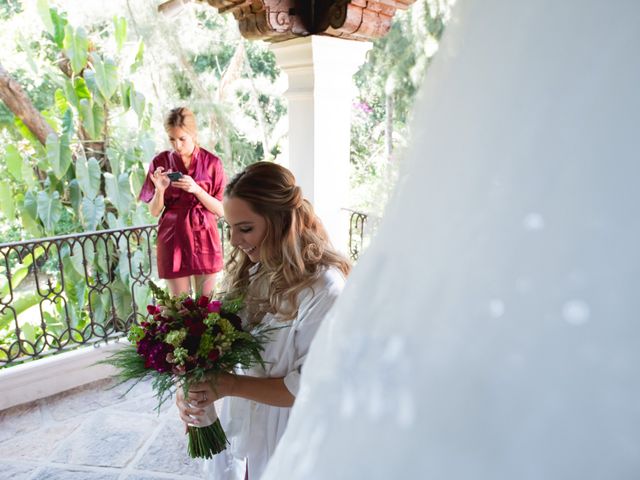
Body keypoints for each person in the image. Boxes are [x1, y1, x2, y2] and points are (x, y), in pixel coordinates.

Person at [176, 162, 351, 479]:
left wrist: (228, 385)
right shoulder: (253, 270)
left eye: (245, 228)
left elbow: (309, 387)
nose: (234, 241)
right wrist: (194, 388)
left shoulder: (325, 289)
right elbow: (224, 342)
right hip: (247, 425)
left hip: (295, 434)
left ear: (281, 221)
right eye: (229, 228)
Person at [139, 107, 226, 297]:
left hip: (204, 235)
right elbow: (154, 211)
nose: (177, 145)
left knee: (206, 305)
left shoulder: (212, 163)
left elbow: (221, 210)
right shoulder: (160, 162)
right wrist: (160, 189)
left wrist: (196, 189)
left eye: (182, 139)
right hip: (173, 235)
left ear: (193, 134)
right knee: (180, 308)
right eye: (172, 139)